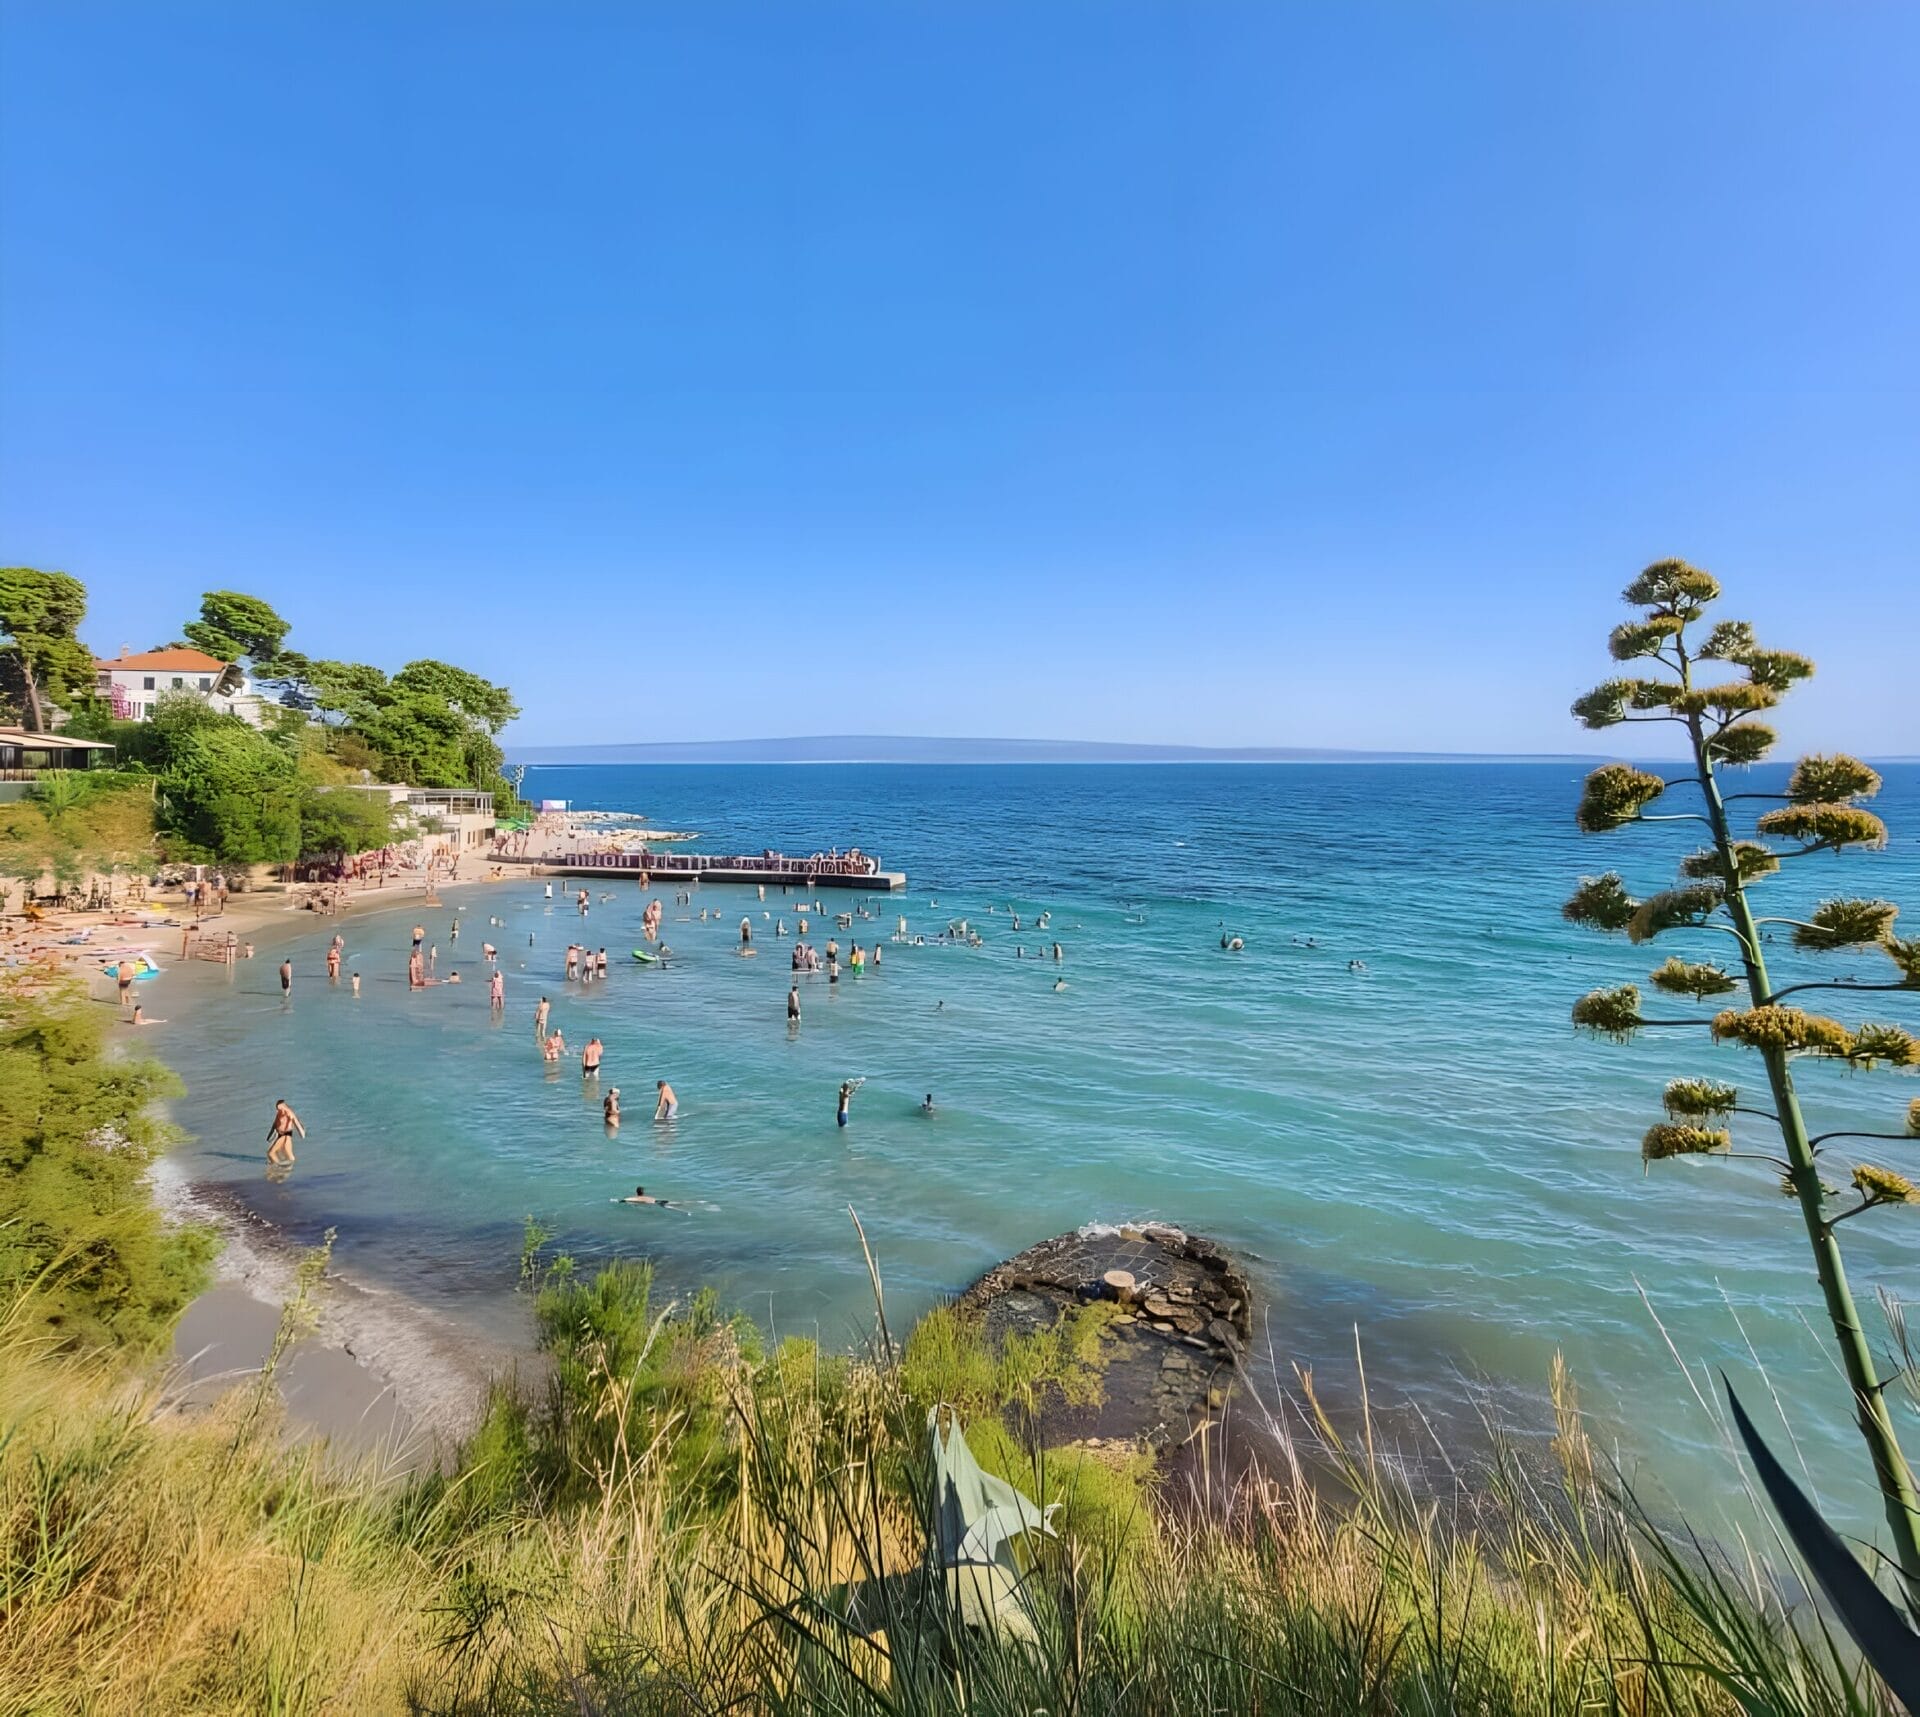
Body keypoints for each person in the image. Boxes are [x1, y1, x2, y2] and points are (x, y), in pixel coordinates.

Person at [266, 1098, 305, 1166]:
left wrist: (302, 1134)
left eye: (280, 1108)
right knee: (290, 1156)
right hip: (280, 1135)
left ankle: (279, 1166)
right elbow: (274, 1124)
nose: (279, 1110)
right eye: (278, 1108)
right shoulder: (279, 1112)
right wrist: (269, 1135)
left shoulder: (289, 1113)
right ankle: (290, 1167)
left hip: (285, 1135)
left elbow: (296, 1122)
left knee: (271, 1153)